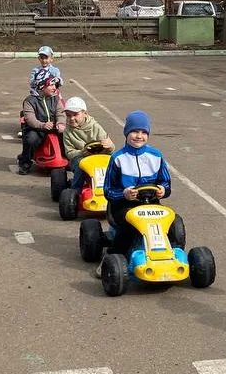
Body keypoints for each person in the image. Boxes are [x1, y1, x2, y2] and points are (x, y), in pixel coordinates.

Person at [98, 110, 172, 277]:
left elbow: (166, 183)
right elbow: (108, 190)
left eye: (143, 132)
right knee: (128, 228)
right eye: (135, 132)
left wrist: (162, 190)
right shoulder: (118, 158)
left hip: (151, 204)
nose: (139, 136)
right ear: (126, 133)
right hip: (123, 206)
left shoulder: (156, 156)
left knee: (174, 221)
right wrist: (123, 194)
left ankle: (170, 256)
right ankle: (111, 258)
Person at [18, 71, 65, 175]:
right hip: (36, 128)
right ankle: (25, 162)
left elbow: (61, 112)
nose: (54, 88)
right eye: (51, 85)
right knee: (31, 140)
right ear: (42, 86)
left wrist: (61, 123)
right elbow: (30, 119)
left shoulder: (55, 98)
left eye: (55, 85)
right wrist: (42, 125)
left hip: (53, 126)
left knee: (66, 136)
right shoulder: (30, 101)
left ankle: (65, 157)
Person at [62, 96, 113, 185]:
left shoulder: (95, 127)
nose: (72, 118)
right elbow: (69, 153)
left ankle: (111, 187)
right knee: (80, 165)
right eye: (68, 115)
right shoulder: (67, 131)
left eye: (75, 114)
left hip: (98, 157)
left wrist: (109, 145)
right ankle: (76, 189)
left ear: (85, 113)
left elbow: (109, 148)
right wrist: (82, 152)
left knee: (114, 163)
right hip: (80, 158)